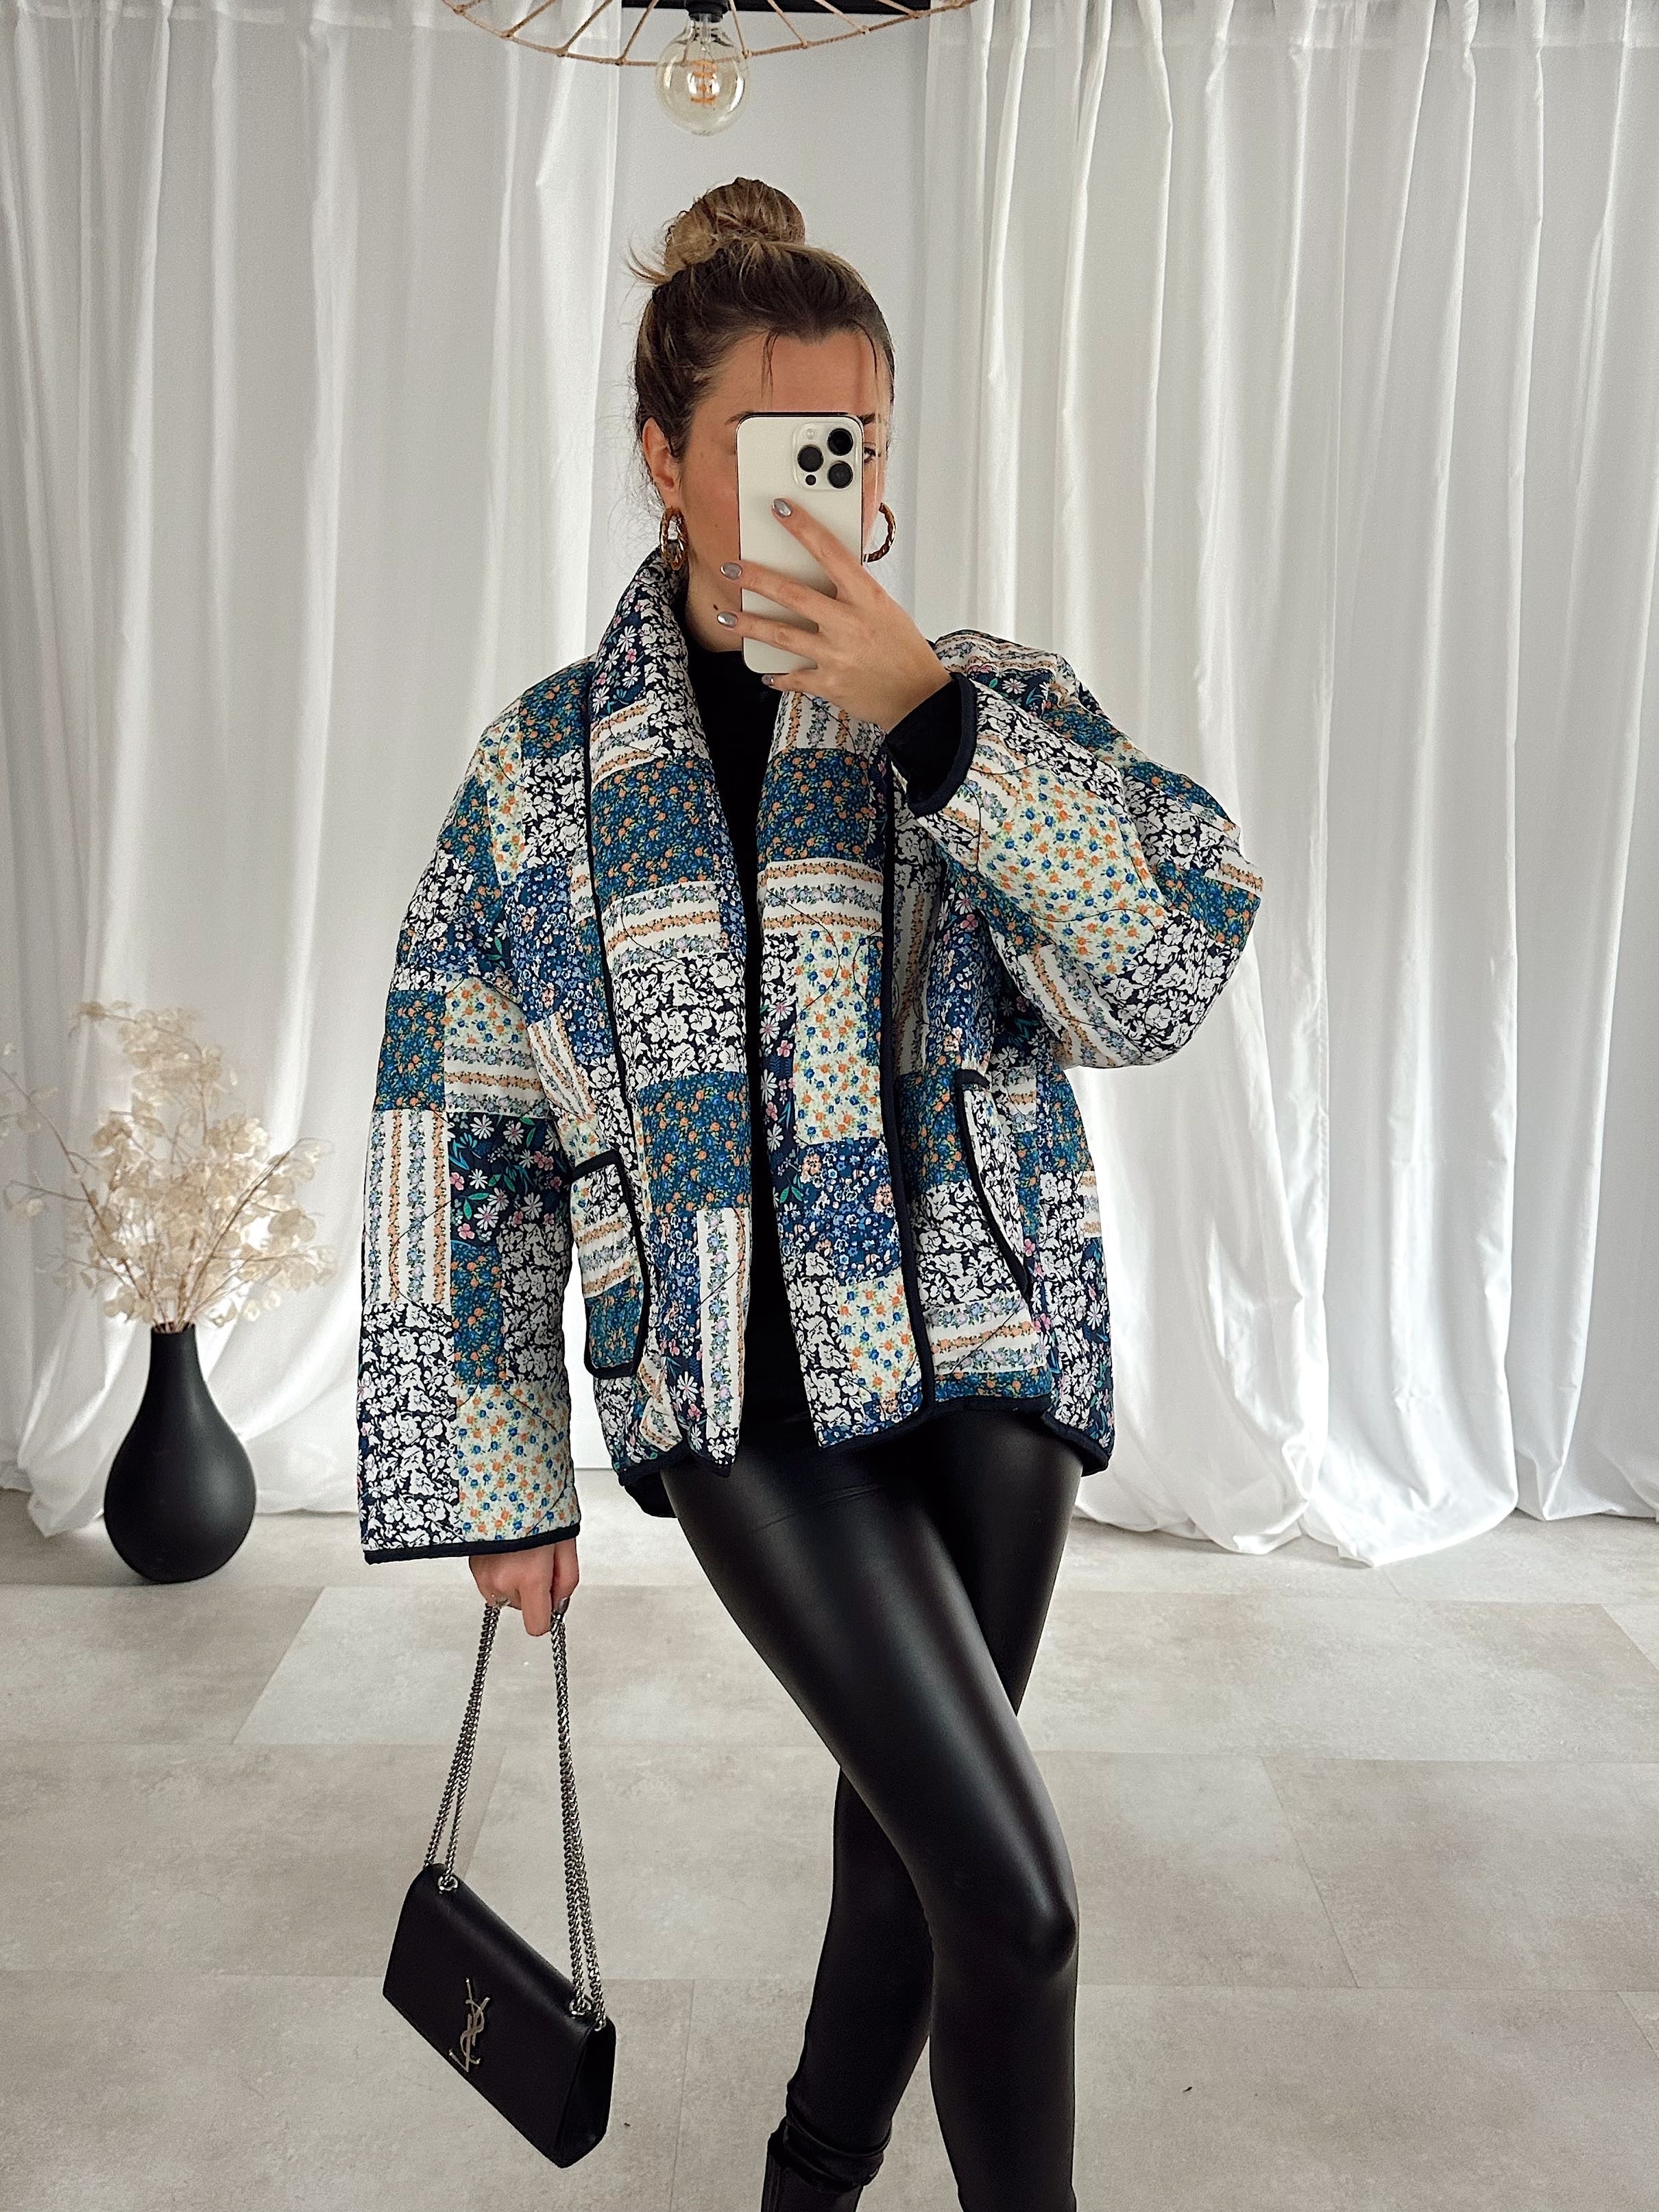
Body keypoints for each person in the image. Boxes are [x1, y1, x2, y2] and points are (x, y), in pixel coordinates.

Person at [356, 177, 1263, 2212]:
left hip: (988, 1343)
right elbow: (458, 1129)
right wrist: (501, 1472)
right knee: (1013, 1902)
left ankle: (805, 2182)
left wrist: (938, 728)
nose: (820, 488)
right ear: (664, 455)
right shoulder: (542, 774)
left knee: (914, 1849)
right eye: (775, 443)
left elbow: (1168, 964)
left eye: (852, 442)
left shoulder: (977, 699)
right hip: (737, 1386)